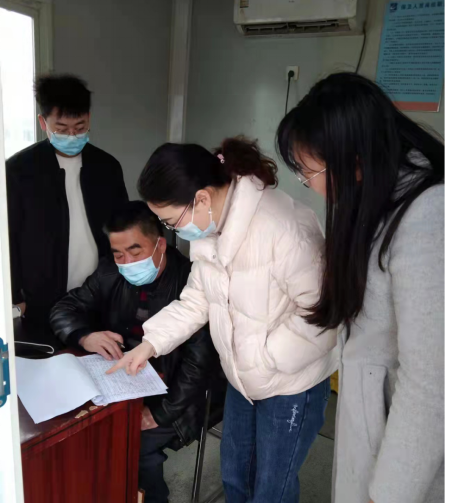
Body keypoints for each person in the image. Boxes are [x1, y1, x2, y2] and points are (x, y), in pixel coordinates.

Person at [108, 137, 338, 504]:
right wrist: (150, 344)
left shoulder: (284, 227)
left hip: (291, 384)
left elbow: (324, 315)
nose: (172, 231)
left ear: (201, 199)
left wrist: (263, 359)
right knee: (236, 478)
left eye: (170, 222)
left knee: (271, 492)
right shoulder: (212, 230)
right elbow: (197, 300)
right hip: (243, 378)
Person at [277, 73, 446, 504]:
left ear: (353, 159)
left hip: (405, 451)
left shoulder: (429, 215)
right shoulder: (378, 197)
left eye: (310, 172)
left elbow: (431, 383)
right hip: (372, 418)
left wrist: (388, 495)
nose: (311, 185)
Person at [50, 201, 215, 504]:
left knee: (131, 443)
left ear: (160, 245)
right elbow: (64, 309)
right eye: (118, 254)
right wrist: (85, 336)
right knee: (77, 431)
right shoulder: (109, 271)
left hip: (176, 394)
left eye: (135, 252)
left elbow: (199, 365)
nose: (126, 262)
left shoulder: (191, 282)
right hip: (122, 380)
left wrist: (160, 413)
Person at [6, 74, 128, 324]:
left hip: (100, 293)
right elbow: (9, 237)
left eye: (80, 127)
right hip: (40, 297)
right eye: (61, 129)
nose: (72, 136)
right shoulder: (19, 170)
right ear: (43, 122)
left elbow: (124, 227)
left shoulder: (107, 167)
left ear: (89, 118)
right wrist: (15, 294)